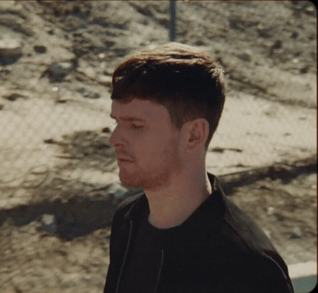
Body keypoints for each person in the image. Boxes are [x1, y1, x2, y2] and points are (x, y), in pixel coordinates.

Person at [103, 42, 294, 293]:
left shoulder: (249, 266)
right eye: (117, 122)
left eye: (136, 125)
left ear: (193, 134)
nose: (114, 139)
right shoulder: (128, 220)